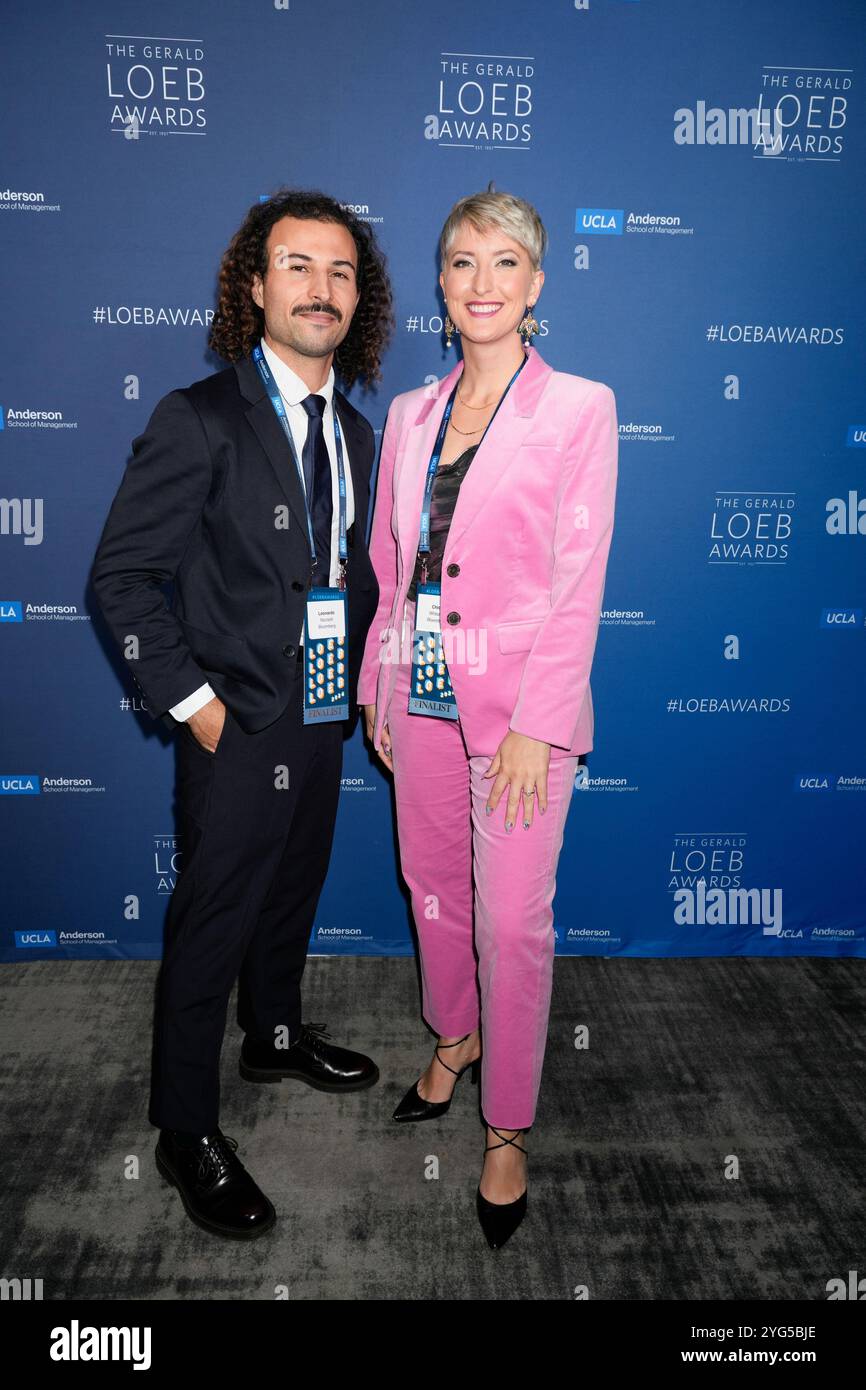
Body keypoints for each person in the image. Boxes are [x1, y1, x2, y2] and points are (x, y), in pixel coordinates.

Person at [90, 188, 394, 1239]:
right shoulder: (200, 417)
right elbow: (122, 580)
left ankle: (271, 1032)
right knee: (211, 919)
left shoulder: (355, 431)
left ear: (361, 298)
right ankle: (185, 1129)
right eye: (298, 266)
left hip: (320, 710)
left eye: (341, 270)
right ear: (255, 288)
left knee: (292, 889)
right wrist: (199, 709)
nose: (321, 288)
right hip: (234, 724)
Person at [359, 188, 618, 1248]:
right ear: (440, 281)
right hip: (417, 697)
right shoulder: (411, 415)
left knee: (511, 921)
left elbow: (577, 577)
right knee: (432, 887)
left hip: (518, 713)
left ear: (536, 284)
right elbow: (390, 568)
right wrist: (380, 680)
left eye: (503, 263)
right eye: (461, 262)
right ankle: (452, 1036)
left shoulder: (579, 408)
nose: (480, 282)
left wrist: (534, 722)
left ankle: (505, 1124)